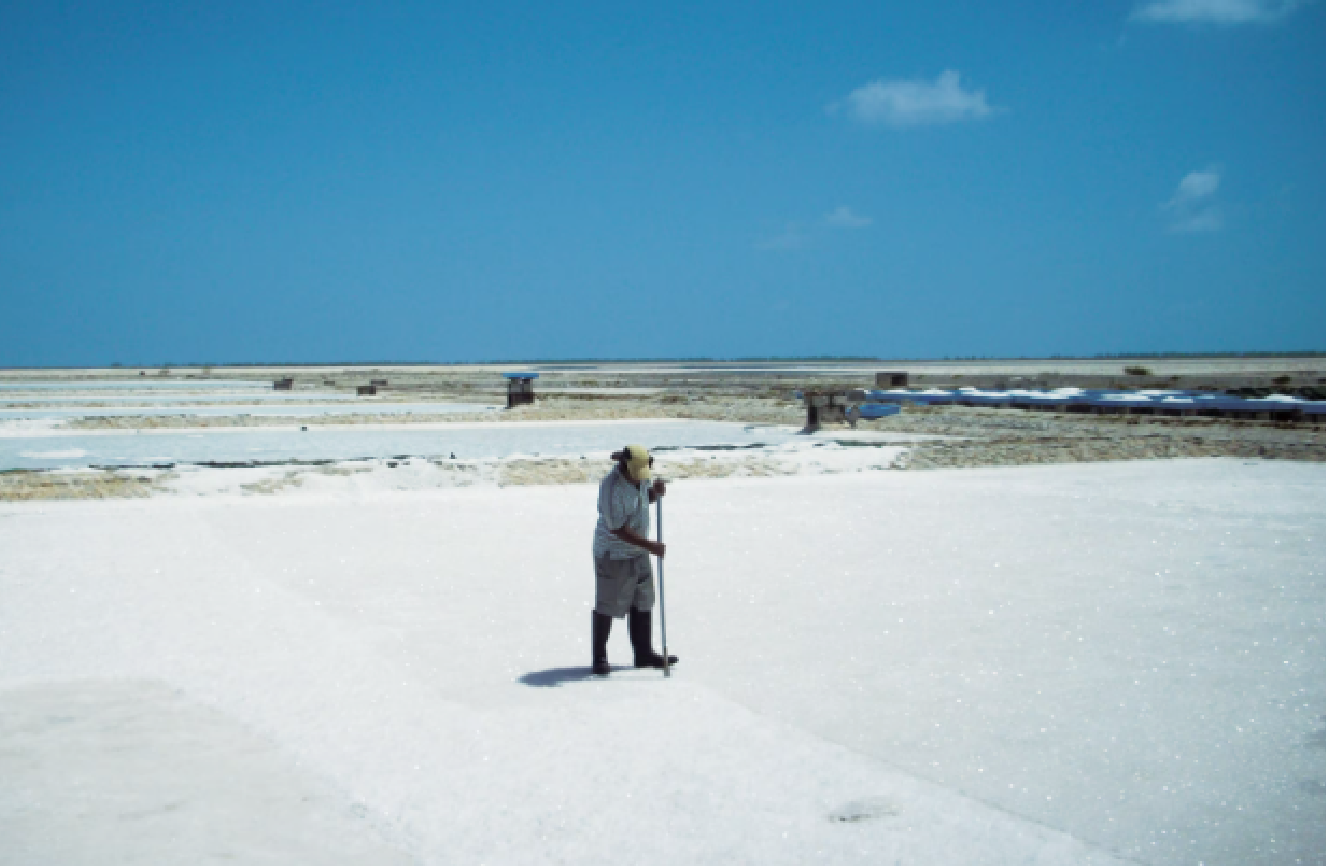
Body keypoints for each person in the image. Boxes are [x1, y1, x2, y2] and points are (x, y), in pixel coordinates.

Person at [591, 444, 678, 676]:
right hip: (613, 553)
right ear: (625, 466)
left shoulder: (640, 473)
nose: (641, 478)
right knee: (608, 603)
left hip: (638, 551)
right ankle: (599, 656)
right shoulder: (611, 488)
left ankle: (644, 653)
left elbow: (641, 499)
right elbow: (618, 528)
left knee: (643, 600)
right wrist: (650, 546)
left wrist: (654, 493)